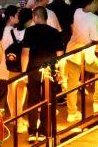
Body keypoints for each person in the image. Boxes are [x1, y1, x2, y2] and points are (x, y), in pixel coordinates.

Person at [20, 8, 65, 139]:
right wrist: (60, 71)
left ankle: (32, 131)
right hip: (50, 69)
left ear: (35, 17)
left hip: (33, 69)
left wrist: (24, 72)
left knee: (33, 99)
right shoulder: (55, 32)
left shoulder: (30, 31)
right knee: (48, 99)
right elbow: (60, 54)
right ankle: (44, 130)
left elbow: (25, 53)